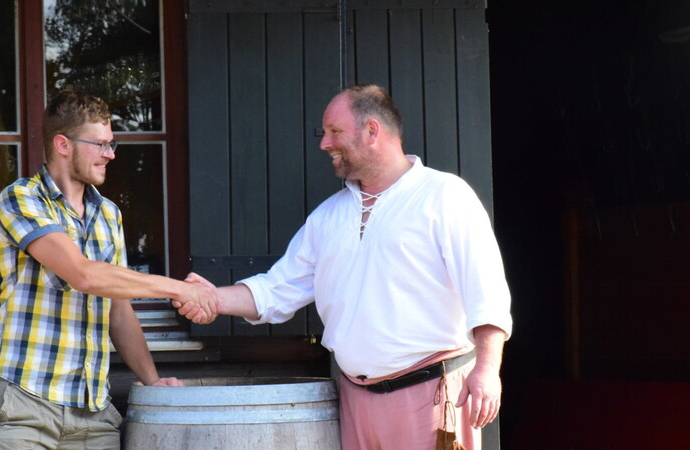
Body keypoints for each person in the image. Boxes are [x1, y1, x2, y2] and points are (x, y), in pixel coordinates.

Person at [178, 84, 512, 449]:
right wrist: (212, 297)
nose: (324, 143)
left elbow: (487, 290)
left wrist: (487, 370)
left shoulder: (444, 196)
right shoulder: (328, 216)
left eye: (335, 132)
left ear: (372, 131)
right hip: (355, 401)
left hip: (431, 395)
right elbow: (276, 289)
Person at [0, 90, 216, 450]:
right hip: (24, 399)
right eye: (100, 144)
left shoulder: (109, 215)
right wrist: (179, 289)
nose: (111, 154)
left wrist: (151, 380)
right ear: (63, 144)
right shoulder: (21, 199)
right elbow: (83, 274)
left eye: (112, 143)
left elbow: (118, 309)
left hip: (93, 412)